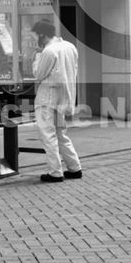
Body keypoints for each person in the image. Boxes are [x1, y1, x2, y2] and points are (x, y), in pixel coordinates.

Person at [31, 20, 83, 184]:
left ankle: (55, 173)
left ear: (41, 34)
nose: (35, 39)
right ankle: (74, 168)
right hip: (63, 97)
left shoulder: (48, 51)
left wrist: (37, 55)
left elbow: (38, 74)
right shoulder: (70, 46)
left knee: (48, 135)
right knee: (61, 134)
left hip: (47, 98)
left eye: (35, 35)